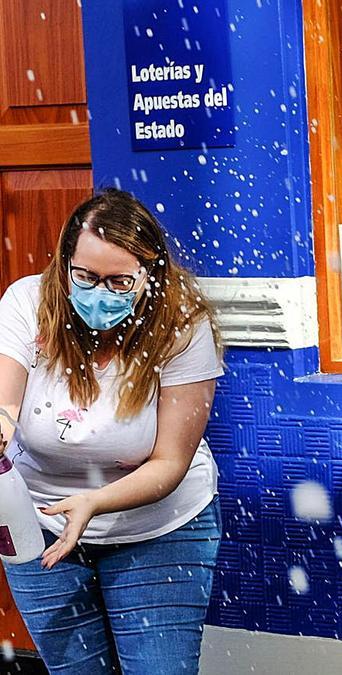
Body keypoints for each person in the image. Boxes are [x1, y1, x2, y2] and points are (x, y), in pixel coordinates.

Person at [0, 189, 224, 675]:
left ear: (150, 275)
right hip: (41, 524)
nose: (99, 293)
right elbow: (5, 401)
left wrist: (94, 503)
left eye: (120, 281)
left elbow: (169, 463)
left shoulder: (181, 323)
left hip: (159, 529)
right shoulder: (28, 302)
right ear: (64, 265)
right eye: (85, 276)